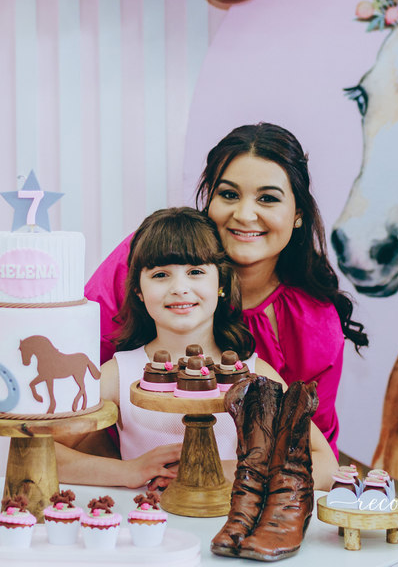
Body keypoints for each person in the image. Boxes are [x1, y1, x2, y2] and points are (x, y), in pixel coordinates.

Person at [85, 123, 367, 455]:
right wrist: (131, 477)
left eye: (268, 198)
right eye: (229, 194)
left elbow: (312, 453)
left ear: (297, 214)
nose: (245, 214)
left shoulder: (313, 326)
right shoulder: (148, 259)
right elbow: (78, 403)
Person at [55, 207, 338, 489]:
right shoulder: (117, 374)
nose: (179, 287)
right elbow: (46, 453)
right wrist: (128, 471)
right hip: (147, 527)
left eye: (195, 271)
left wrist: (233, 470)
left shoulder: (255, 376)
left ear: (221, 283)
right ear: (138, 291)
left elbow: (325, 463)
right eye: (160, 275)